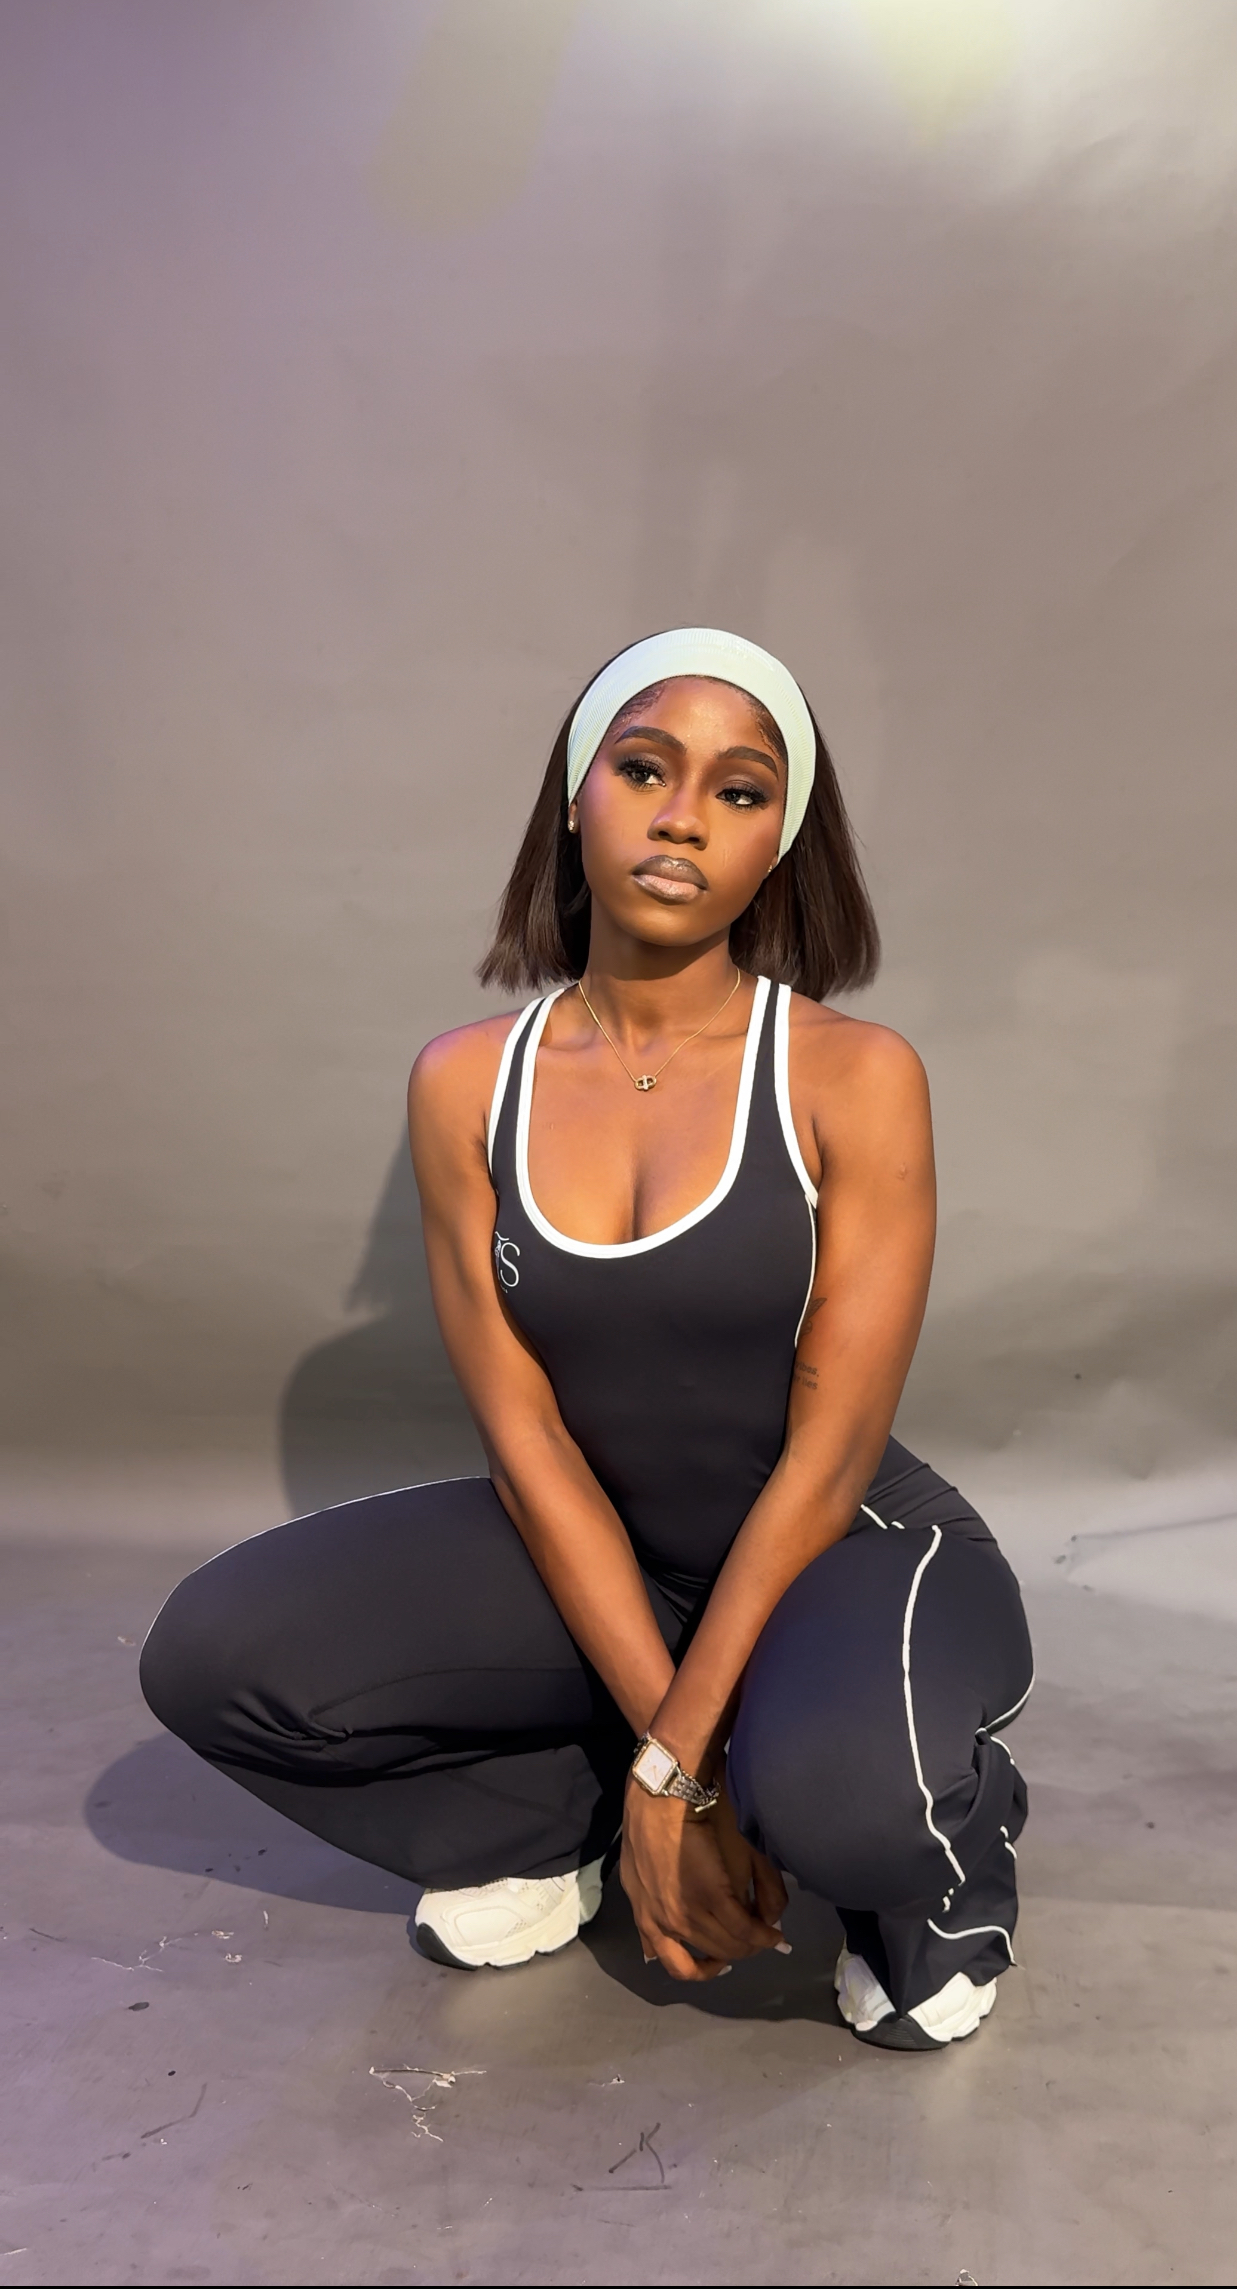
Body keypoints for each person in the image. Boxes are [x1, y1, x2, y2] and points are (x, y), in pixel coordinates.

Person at [141, 628, 1032, 2052]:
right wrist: (669, 1778)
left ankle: (943, 1861)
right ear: (576, 798)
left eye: (739, 792)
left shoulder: (850, 1077)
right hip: (612, 1556)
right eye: (644, 770)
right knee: (216, 1657)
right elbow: (528, 1440)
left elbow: (827, 1458)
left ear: (778, 845)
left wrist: (681, 1769)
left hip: (847, 1547)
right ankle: (552, 1824)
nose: (683, 817)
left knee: (844, 1806)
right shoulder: (463, 1085)